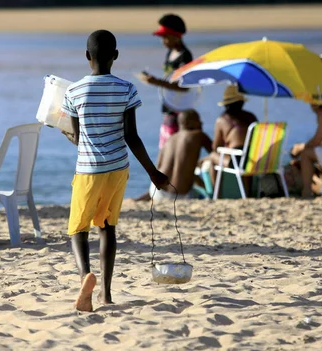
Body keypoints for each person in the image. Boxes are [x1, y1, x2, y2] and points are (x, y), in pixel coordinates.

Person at [61, 30, 168, 312]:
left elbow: (77, 138)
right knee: (107, 227)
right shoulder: (127, 89)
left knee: (78, 230)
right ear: (115, 56)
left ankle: (85, 277)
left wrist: (62, 131)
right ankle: (106, 295)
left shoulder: (72, 91)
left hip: (88, 170)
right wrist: (153, 172)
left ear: (87, 56)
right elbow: (132, 136)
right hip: (118, 169)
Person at [137, 13, 193, 149]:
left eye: (165, 37)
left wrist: (157, 82)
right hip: (168, 108)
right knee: (165, 147)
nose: (163, 41)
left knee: (173, 148)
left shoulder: (185, 56)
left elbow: (185, 86)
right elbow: (170, 78)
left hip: (179, 109)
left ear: (176, 36)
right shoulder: (170, 53)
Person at [136, 109, 212, 201]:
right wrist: (204, 160)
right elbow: (216, 152)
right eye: (198, 120)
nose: (201, 123)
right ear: (187, 122)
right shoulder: (199, 135)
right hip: (179, 196)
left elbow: (158, 166)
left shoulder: (169, 139)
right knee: (203, 194)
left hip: (156, 192)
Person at [208, 86, 257, 189]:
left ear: (226, 105)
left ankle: (216, 193)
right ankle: (247, 193)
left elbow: (215, 147)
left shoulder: (222, 120)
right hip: (256, 160)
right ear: (242, 103)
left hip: (239, 161)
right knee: (245, 155)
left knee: (212, 156)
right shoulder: (251, 117)